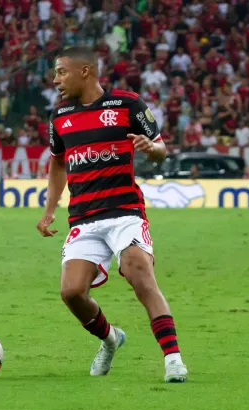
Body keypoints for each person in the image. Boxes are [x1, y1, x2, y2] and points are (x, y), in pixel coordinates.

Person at [35, 47, 188, 383]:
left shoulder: (128, 105)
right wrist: (49, 211)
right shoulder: (59, 117)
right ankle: (110, 339)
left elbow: (162, 147)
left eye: (61, 72)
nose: (56, 79)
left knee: (138, 272)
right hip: (83, 218)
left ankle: (173, 358)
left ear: (85, 71)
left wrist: (152, 149)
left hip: (124, 213)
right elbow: (58, 163)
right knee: (71, 293)